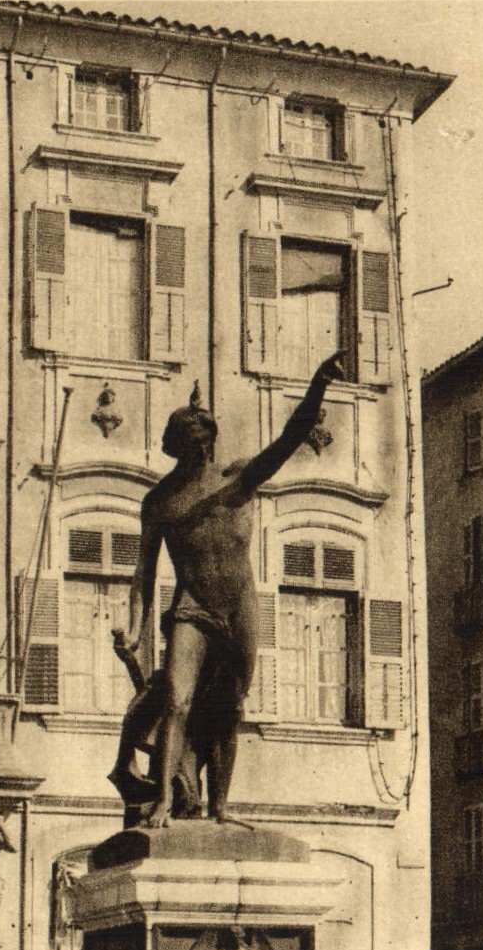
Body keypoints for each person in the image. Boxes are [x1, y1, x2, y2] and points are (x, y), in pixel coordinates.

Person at [122, 353, 345, 826]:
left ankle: (220, 806)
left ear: (209, 445)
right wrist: (137, 630)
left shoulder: (239, 479)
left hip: (239, 607)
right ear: (177, 450)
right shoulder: (160, 501)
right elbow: (143, 572)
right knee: (176, 699)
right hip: (192, 607)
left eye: (201, 449)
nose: (198, 457)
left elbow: (289, 439)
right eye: (187, 451)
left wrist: (319, 384)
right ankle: (162, 802)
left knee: (229, 707)